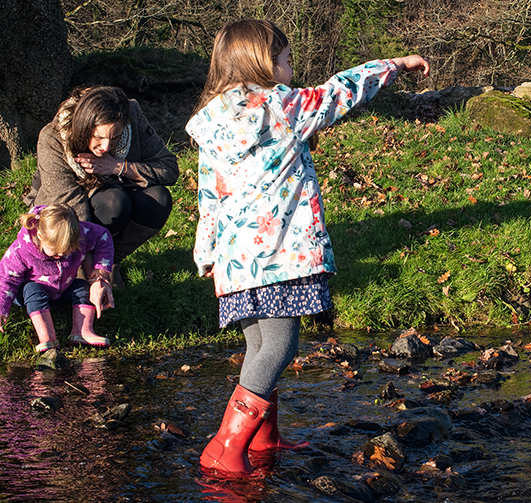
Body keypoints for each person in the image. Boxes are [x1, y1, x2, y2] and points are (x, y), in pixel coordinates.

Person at [186, 19, 430, 476]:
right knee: (281, 345)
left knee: (259, 343)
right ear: (262, 62)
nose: (291, 66)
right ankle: (223, 447)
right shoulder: (280, 106)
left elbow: (208, 194)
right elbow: (340, 91)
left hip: (237, 262)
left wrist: (206, 253)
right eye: (285, 58)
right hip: (282, 254)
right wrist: (394, 63)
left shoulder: (213, 118)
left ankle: (263, 439)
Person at [24, 85, 179, 288]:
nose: (106, 147)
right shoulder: (52, 137)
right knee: (113, 203)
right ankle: (80, 267)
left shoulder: (131, 115)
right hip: (66, 208)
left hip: (117, 186)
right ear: (83, 127)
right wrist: (92, 270)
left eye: (115, 137)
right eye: (98, 137)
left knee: (159, 199)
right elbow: (68, 204)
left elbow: (169, 168)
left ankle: (112, 261)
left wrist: (119, 167)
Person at [0, 204, 115, 352]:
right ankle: (47, 337)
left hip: (63, 290)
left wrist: (100, 270)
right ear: (41, 236)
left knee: (81, 286)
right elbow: (6, 280)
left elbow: (103, 237)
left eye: (68, 251)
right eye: (56, 252)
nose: (61, 256)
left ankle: (82, 331)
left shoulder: (81, 233)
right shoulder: (21, 251)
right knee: (32, 288)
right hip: (29, 294)